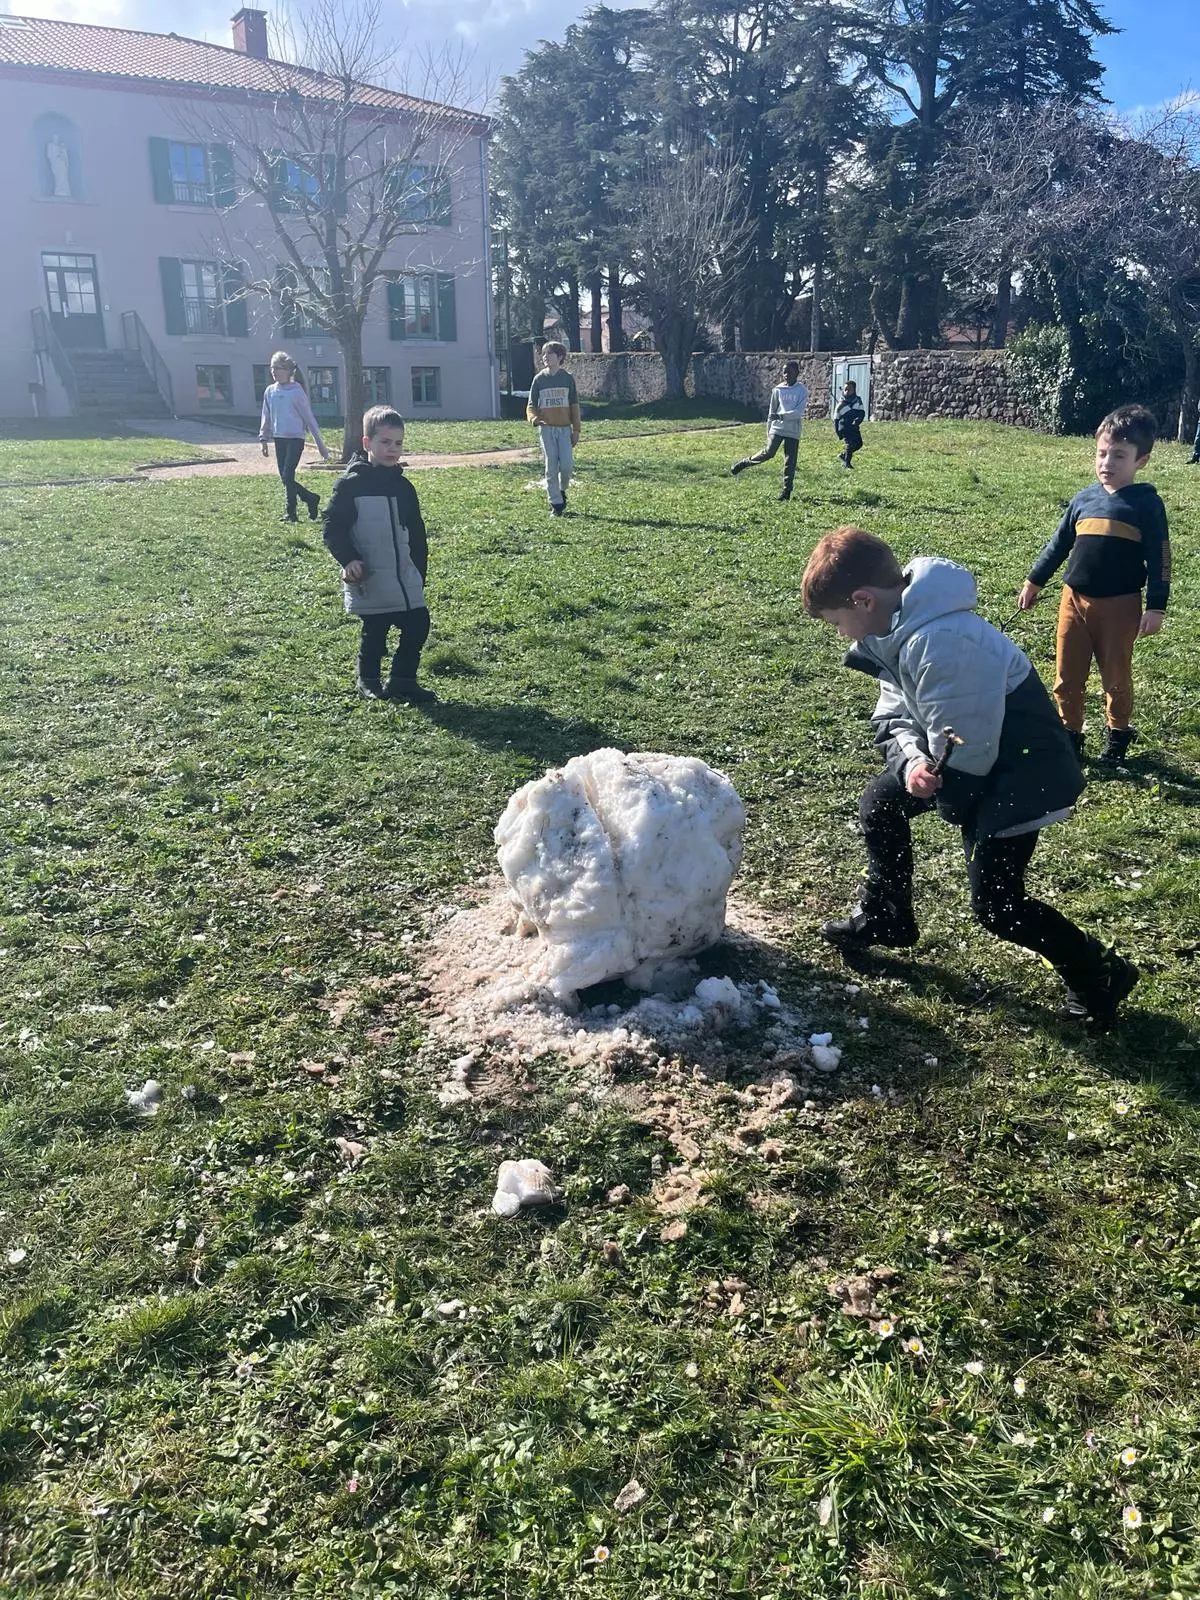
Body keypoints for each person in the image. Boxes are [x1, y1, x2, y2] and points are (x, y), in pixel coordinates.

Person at [804, 525, 1138, 1030]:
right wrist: (914, 763)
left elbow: (970, 745)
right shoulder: (893, 631)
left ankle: (1100, 972)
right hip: (972, 765)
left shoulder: (942, 641)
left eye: (837, 621)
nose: (841, 634)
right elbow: (895, 716)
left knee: (998, 906)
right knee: (882, 801)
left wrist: (949, 799)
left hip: (1022, 774)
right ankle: (887, 914)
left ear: (863, 599)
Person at [1017, 404, 1171, 766]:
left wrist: (1156, 605)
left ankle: (1117, 735)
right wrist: (1034, 581)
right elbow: (1058, 545)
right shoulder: (1083, 499)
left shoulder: (1146, 504)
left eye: (1119, 455)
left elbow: (1160, 557)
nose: (1107, 462)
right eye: (1102, 453)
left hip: (1119, 606)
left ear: (1141, 461)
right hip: (1073, 601)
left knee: (1115, 675)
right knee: (1066, 674)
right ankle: (1070, 734)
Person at [321, 405, 435, 705]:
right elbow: (332, 527)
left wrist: (419, 569)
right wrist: (349, 559)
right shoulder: (350, 485)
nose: (392, 449)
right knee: (376, 630)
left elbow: (416, 532)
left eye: (398, 443)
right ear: (367, 443)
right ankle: (368, 680)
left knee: (418, 623)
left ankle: (402, 680)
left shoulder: (404, 487)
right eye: (385, 442)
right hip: (370, 574)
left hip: (404, 575)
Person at [259, 351, 329, 522]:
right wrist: (264, 438)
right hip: (279, 438)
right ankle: (310, 498)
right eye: (272, 368)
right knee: (285, 477)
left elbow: (309, 418)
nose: (274, 371)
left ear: (289, 371)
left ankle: (291, 513)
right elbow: (266, 415)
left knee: (288, 475)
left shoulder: (297, 392)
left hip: (296, 439)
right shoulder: (270, 391)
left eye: (278, 368)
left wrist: (321, 447)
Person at [730, 359, 808, 501]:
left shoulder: (802, 391)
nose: (786, 375)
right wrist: (769, 431)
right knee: (768, 453)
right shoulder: (778, 390)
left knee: (790, 461)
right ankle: (744, 463)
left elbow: (798, 412)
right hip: (777, 428)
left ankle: (786, 492)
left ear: (797, 372)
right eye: (784, 372)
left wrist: (781, 415)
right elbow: (771, 413)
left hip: (793, 430)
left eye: (789, 372)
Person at [527, 341, 581, 517]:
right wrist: (534, 419)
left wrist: (576, 430)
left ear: (560, 357)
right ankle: (556, 504)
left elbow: (574, 406)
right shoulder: (539, 379)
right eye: (543, 354)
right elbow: (531, 405)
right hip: (547, 430)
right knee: (551, 466)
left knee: (566, 466)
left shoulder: (567, 378)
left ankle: (562, 490)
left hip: (565, 430)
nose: (545, 357)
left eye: (549, 354)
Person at [834, 379, 866, 470]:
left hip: (854, 427)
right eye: (845, 389)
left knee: (858, 444)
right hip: (844, 426)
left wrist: (857, 421)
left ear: (854, 390)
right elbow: (836, 417)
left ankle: (843, 455)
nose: (847, 392)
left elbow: (861, 413)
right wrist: (837, 431)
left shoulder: (857, 401)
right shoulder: (841, 403)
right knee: (850, 444)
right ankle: (847, 463)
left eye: (849, 389)